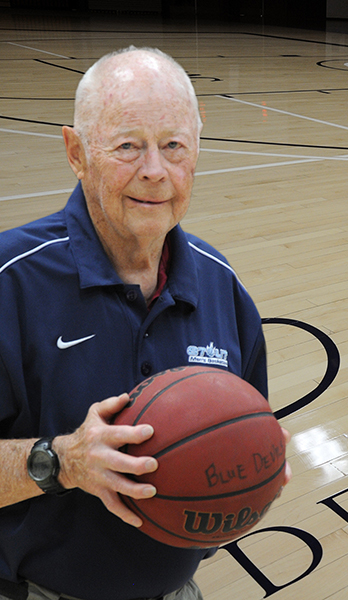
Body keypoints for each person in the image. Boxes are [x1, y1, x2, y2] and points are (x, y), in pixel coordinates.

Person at [0, 47, 287, 600]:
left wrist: (251, 472)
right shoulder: (11, 283)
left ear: (197, 152)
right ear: (76, 152)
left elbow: (242, 437)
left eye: (174, 145)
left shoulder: (221, 285)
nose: (155, 171)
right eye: (128, 146)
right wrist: (61, 461)